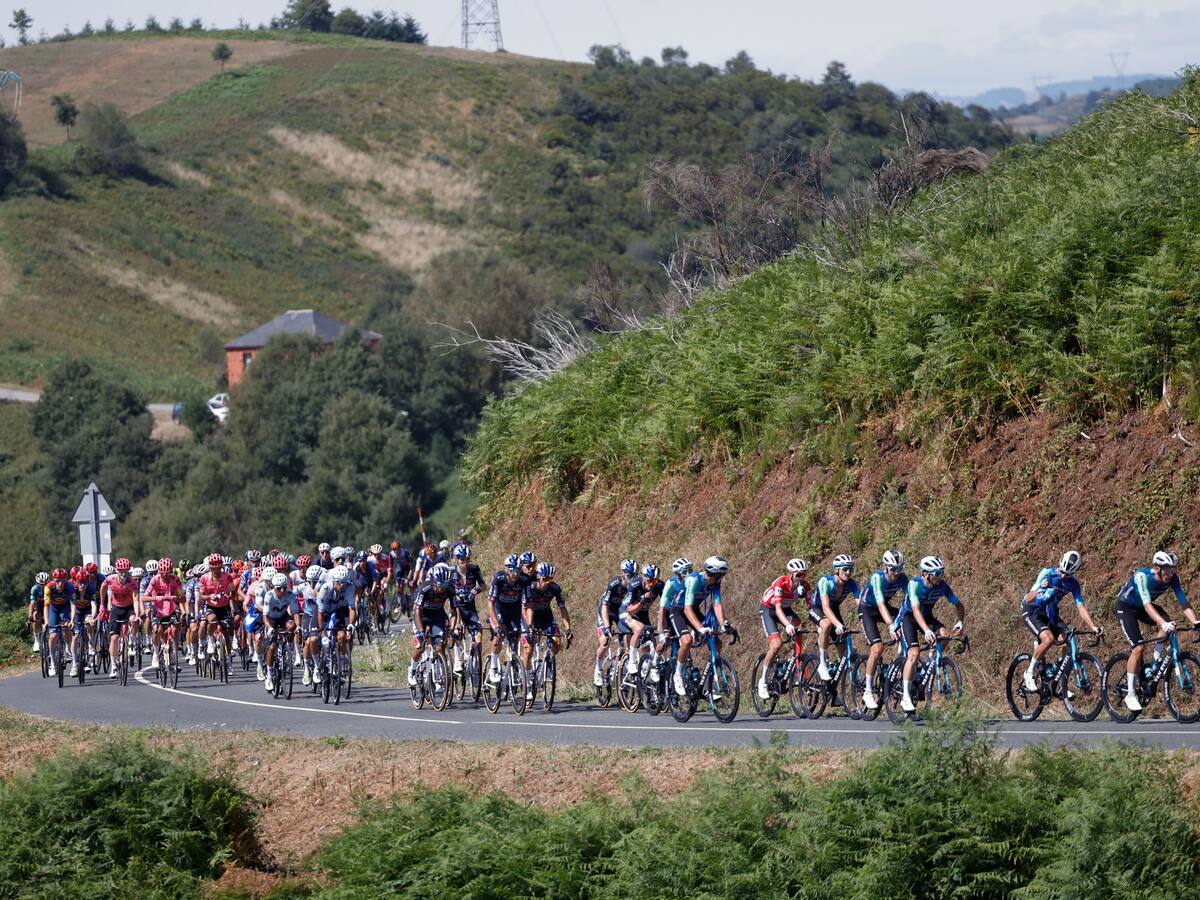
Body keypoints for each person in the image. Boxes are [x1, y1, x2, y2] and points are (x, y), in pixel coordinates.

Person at [1114, 550, 1199, 711]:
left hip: (1143, 608)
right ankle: (1130, 694)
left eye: (1173, 568)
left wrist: (1196, 621)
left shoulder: (1173, 579)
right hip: (1126, 608)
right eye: (1167, 568)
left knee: (1167, 622)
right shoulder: (1142, 576)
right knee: (1138, 648)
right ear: (1158, 568)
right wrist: (1162, 623)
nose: (1171, 572)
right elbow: (1147, 605)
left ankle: (1155, 660)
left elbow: (1183, 602)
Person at [1019, 550, 1102, 693]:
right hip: (1032, 611)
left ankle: (1058, 679)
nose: (1063, 576)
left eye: (1067, 575)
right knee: (1049, 639)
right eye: (1062, 572)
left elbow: (1080, 607)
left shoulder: (1073, 584)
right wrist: (1040, 589)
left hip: (1050, 613)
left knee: (1069, 639)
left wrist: (1093, 626)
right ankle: (1029, 673)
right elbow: (1028, 598)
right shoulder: (1047, 573)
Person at [892, 555, 966, 713]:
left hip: (927, 617)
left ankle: (930, 663)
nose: (940, 577)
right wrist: (926, 630)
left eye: (941, 573)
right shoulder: (914, 585)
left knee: (944, 635)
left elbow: (959, 605)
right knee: (914, 653)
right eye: (937, 574)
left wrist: (960, 622)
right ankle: (905, 696)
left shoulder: (942, 586)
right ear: (925, 574)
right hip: (909, 618)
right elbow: (916, 610)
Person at [858, 549, 906, 710]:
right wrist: (891, 625)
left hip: (883, 607)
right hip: (867, 609)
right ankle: (868, 691)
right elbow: (880, 603)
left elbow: (909, 601)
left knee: (906, 624)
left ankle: (896, 666)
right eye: (893, 569)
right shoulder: (877, 578)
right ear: (885, 567)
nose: (896, 573)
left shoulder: (902, 578)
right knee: (877, 648)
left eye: (900, 569)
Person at [677, 556, 731, 696]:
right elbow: (686, 609)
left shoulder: (715, 584)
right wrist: (700, 628)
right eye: (723, 574)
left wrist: (723, 624)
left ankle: (709, 683)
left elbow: (717, 604)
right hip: (677, 610)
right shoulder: (693, 580)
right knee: (687, 640)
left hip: (693, 611)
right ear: (715, 573)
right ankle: (678, 674)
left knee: (716, 642)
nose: (723, 577)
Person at [757, 558, 810, 701]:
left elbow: (811, 607)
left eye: (804, 575)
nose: (801, 578)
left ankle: (798, 662)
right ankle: (763, 681)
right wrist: (787, 625)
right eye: (798, 575)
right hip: (769, 610)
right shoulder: (781, 583)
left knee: (800, 626)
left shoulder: (804, 586)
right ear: (790, 574)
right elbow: (778, 608)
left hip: (786, 610)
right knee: (776, 644)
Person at [520, 562, 572, 691]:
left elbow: (563, 609)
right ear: (538, 577)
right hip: (529, 615)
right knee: (529, 649)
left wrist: (568, 629)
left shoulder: (555, 588)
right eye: (545, 579)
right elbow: (527, 608)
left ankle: (546, 665)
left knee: (557, 642)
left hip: (546, 616)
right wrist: (530, 626)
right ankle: (526, 681)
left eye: (550, 579)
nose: (548, 582)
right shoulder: (530, 587)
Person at [811, 555, 859, 682]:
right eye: (845, 569)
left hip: (834, 610)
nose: (848, 572)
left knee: (844, 650)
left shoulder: (852, 584)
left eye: (851, 569)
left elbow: (861, 605)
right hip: (818, 608)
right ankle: (822, 663)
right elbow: (825, 608)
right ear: (836, 570)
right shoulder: (825, 582)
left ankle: (832, 687)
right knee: (826, 625)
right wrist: (837, 625)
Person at [594, 558, 637, 687]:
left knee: (629, 636)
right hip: (606, 611)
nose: (632, 579)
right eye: (629, 576)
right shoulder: (614, 584)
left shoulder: (634, 586)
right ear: (623, 574)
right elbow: (604, 606)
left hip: (620, 613)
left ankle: (624, 664)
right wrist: (607, 627)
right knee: (605, 641)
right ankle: (598, 668)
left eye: (634, 576)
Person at [410, 564, 454, 689]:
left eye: (445, 585)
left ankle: (438, 675)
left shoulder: (449, 589)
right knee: (421, 646)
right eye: (441, 585)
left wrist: (452, 627)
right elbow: (417, 611)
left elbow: (455, 610)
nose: (443, 588)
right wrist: (420, 631)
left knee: (440, 646)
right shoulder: (424, 588)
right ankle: (412, 670)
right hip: (421, 616)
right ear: (434, 582)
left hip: (437, 615)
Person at [486, 554, 528, 684]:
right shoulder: (498, 578)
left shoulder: (524, 579)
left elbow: (529, 602)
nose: (515, 574)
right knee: (501, 635)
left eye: (518, 570)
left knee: (514, 638)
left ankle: (508, 668)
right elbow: (490, 603)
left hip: (514, 610)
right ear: (506, 569)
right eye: (513, 571)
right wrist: (496, 625)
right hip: (499, 609)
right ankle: (493, 667)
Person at [260, 572, 300, 694]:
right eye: (279, 588)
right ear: (274, 587)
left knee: (291, 625)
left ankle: (288, 646)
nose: (282, 590)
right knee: (272, 647)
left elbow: (296, 612)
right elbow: (265, 616)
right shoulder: (269, 596)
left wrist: (298, 627)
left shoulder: (290, 595)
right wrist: (270, 628)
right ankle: (269, 674)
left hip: (283, 617)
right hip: (271, 620)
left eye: (284, 587)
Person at [449, 544, 485, 674]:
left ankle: (475, 663)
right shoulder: (451, 571)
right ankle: (458, 660)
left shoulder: (474, 569)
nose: (465, 562)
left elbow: (483, 585)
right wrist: (454, 595)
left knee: (479, 637)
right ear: (457, 559)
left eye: (467, 559)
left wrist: (478, 589)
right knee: (456, 633)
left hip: (470, 610)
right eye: (462, 560)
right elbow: (445, 590)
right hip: (456, 609)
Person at [621, 563, 661, 677]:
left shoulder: (658, 585)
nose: (652, 584)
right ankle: (632, 661)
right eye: (649, 581)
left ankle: (644, 670)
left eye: (655, 581)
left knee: (649, 645)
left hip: (643, 615)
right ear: (643, 577)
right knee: (639, 628)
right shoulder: (634, 585)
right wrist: (642, 601)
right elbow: (630, 610)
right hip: (627, 613)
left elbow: (665, 605)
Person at [198, 553, 236, 673]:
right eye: (214, 568)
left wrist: (228, 595)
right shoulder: (204, 578)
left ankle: (229, 661)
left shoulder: (227, 576)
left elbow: (232, 590)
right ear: (210, 568)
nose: (216, 570)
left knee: (226, 634)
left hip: (224, 607)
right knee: (212, 620)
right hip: (211, 606)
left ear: (221, 566)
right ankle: (210, 640)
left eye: (219, 568)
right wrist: (210, 596)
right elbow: (201, 596)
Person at [102, 559, 140, 677]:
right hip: (116, 609)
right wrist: (102, 605)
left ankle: (132, 641)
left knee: (134, 620)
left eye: (126, 571)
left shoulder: (133, 582)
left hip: (129, 608)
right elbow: (103, 588)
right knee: (114, 638)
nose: (124, 574)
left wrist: (137, 615)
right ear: (117, 570)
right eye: (121, 571)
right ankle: (113, 665)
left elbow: (136, 600)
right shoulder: (110, 579)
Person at [143, 557, 182, 670]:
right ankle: (155, 654)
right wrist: (156, 598)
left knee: (174, 630)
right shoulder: (155, 580)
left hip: (171, 609)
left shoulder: (176, 579)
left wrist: (176, 597)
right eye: (163, 573)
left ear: (171, 571)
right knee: (157, 630)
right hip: (158, 609)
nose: (165, 576)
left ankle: (174, 657)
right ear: (159, 572)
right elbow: (144, 598)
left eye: (167, 573)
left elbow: (182, 598)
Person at [42, 568, 78, 677]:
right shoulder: (48, 588)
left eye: (62, 580)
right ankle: (52, 662)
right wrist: (47, 621)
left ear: (65, 580)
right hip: (53, 608)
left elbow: (73, 605)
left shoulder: (70, 587)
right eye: (57, 580)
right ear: (54, 580)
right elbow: (46, 606)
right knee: (53, 636)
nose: (60, 583)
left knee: (66, 627)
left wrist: (72, 620)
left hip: (64, 607)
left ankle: (68, 648)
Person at [296, 564, 325, 686]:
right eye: (310, 581)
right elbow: (289, 595)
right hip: (308, 615)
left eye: (315, 581)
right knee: (308, 642)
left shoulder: (325, 587)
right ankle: (308, 669)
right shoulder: (303, 587)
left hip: (322, 614)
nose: (313, 584)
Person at [27, 571, 49, 654]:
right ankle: (36, 640)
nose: (43, 586)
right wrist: (30, 616)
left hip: (50, 606)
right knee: (35, 615)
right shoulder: (35, 589)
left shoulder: (51, 587)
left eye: (45, 584)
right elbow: (32, 604)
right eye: (41, 584)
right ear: (37, 583)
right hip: (40, 606)